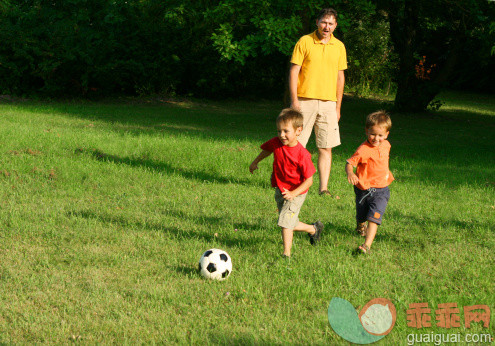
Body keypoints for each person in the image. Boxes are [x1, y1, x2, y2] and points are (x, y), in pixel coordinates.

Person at [249, 108, 324, 258]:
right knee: (289, 221)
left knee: (285, 222)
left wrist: (293, 193)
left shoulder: (302, 154)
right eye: (279, 131)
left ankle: (286, 254)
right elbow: (267, 150)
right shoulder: (277, 143)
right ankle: (313, 229)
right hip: (281, 189)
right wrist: (255, 162)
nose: (281, 135)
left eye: (285, 131)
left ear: (298, 130)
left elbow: (309, 180)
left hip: (297, 192)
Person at [289, 8, 347, 196]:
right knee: (297, 145)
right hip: (305, 101)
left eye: (330, 23)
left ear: (335, 26)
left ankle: (323, 188)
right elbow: (294, 71)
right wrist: (294, 100)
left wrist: (338, 107)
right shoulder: (305, 41)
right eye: (324, 22)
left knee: (326, 146)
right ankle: (295, 184)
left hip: (329, 103)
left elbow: (340, 78)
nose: (326, 27)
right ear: (317, 22)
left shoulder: (339, 46)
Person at [345, 111, 394, 254]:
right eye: (373, 134)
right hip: (364, 189)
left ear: (386, 134)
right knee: (362, 215)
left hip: (382, 189)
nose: (376, 138)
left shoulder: (386, 145)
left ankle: (366, 245)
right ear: (367, 131)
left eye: (380, 135)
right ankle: (360, 225)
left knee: (374, 217)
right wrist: (350, 173)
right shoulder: (363, 149)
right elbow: (349, 163)